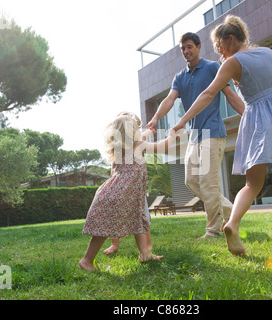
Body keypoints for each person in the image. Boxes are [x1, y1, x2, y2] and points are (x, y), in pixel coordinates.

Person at [171, 16, 272, 256]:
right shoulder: (269, 53)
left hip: (256, 119)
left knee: (252, 184)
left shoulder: (232, 63)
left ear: (230, 39)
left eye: (220, 47)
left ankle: (232, 223)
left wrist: (182, 120)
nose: (219, 52)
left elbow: (208, 94)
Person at [147, 32, 245, 239]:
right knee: (191, 180)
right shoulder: (180, 77)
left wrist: (247, 114)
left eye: (189, 47)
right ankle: (231, 212)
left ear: (199, 47)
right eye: (183, 49)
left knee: (208, 181)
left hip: (212, 132)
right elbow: (169, 99)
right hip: (193, 136)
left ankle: (214, 230)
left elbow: (229, 94)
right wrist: (155, 118)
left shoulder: (212, 68)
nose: (186, 51)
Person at [79, 112, 181, 271]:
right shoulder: (138, 145)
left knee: (137, 220)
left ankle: (145, 254)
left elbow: (141, 139)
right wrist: (172, 136)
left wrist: (147, 133)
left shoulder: (118, 149)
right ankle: (86, 260)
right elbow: (163, 147)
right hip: (125, 194)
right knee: (115, 227)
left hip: (116, 193)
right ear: (131, 132)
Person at [103, 112, 154, 256]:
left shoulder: (134, 144)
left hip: (136, 191)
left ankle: (147, 244)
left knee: (143, 217)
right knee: (116, 217)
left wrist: (149, 131)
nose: (139, 131)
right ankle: (115, 244)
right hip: (120, 190)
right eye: (136, 128)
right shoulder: (119, 148)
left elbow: (140, 137)